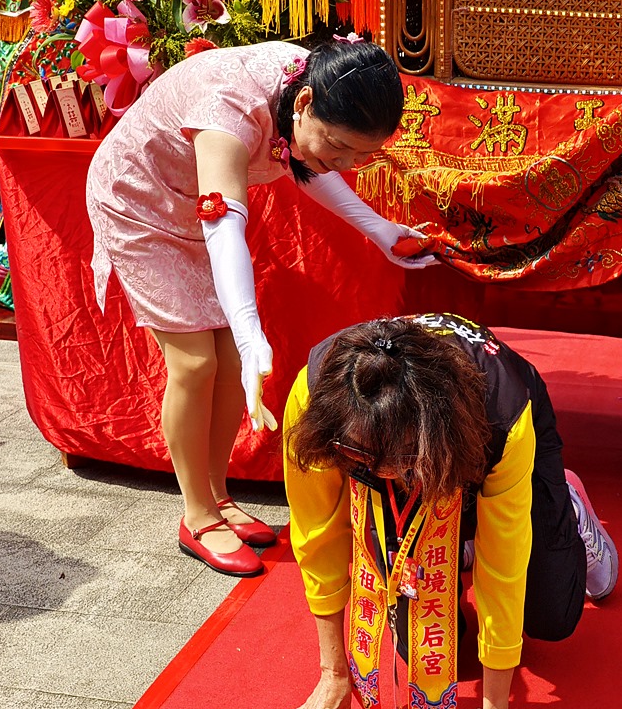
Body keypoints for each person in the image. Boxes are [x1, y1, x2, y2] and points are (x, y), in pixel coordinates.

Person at [86, 38, 434, 578]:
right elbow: (224, 222)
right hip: (139, 203)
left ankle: (218, 495)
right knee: (197, 363)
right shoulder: (230, 104)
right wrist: (252, 336)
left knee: (228, 363)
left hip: (194, 208)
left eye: (360, 156)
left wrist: (382, 231)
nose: (345, 163)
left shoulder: (308, 84)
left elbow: (310, 164)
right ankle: (196, 514)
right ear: (304, 104)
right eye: (340, 146)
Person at [259, 313, 619, 709]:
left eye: (397, 461)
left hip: (478, 440)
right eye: (361, 458)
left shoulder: (504, 411)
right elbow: (317, 534)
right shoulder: (315, 397)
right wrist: (334, 674)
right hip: (419, 448)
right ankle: (459, 535)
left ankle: (562, 501)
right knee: (429, 648)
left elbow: (503, 570)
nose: (383, 473)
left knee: (551, 617)